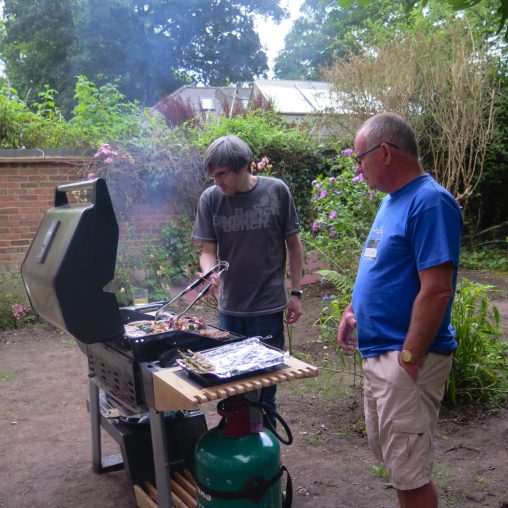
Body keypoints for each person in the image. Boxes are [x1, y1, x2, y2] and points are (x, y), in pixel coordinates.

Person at [337, 113, 463, 508]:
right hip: (381, 354)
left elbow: (437, 290)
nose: (358, 169)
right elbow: (380, 266)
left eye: (360, 159)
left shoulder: (430, 202)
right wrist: (352, 308)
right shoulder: (392, 201)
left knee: (411, 474)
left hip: (404, 358)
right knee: (398, 465)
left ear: (386, 153)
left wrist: (409, 357)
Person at [192, 135, 304, 423]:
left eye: (222, 174)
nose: (217, 181)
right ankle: (239, 441)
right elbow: (208, 252)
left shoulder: (276, 191)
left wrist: (296, 293)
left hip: (267, 309)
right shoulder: (211, 199)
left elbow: (294, 245)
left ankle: (266, 443)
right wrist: (210, 273)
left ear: (243, 167)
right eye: (213, 175)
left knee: (264, 390)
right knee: (233, 390)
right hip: (229, 310)